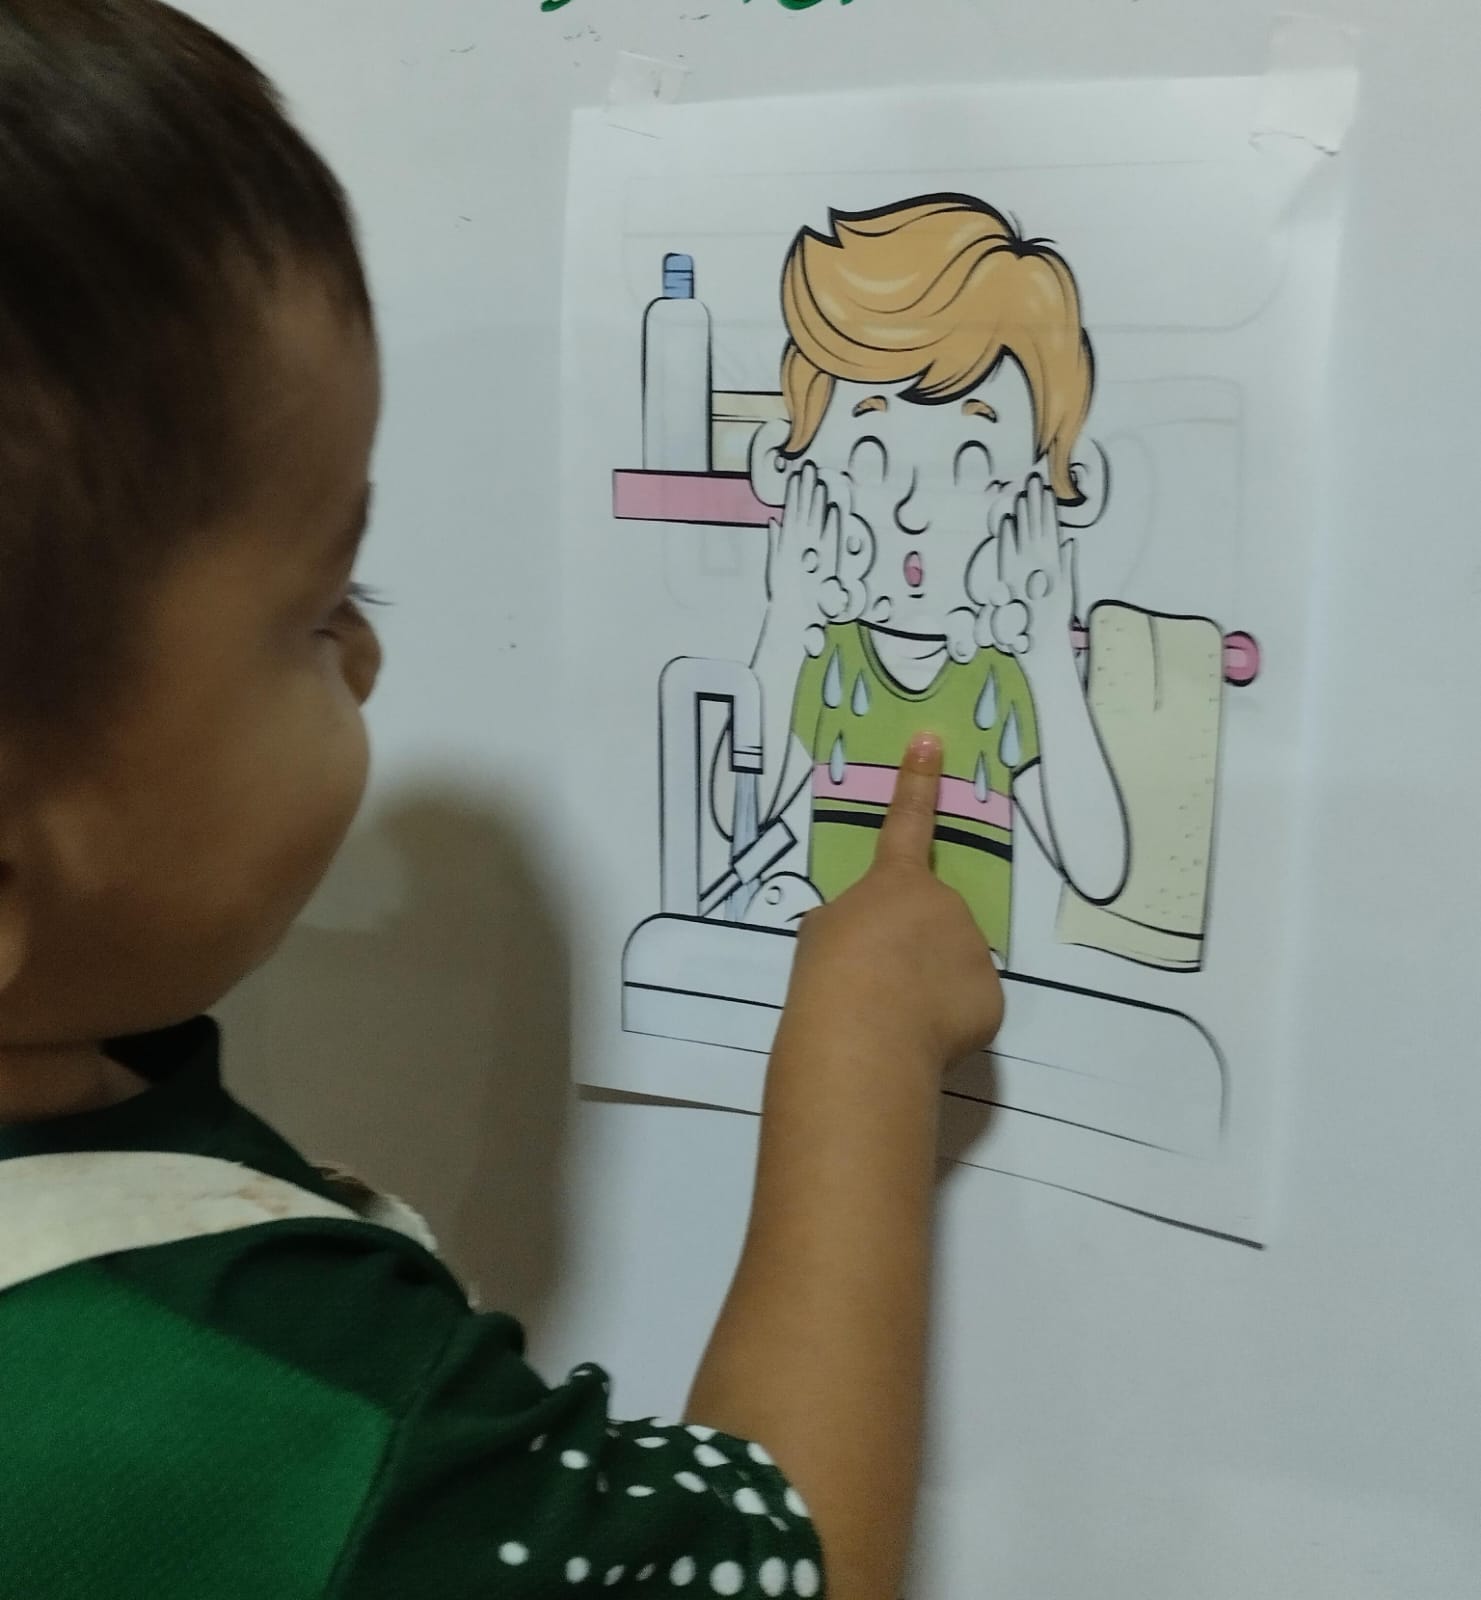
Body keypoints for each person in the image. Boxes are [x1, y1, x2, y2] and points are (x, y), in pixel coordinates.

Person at [0, 6, 1003, 1598]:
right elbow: (777, 1569)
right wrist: (865, 1043)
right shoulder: (246, 1404)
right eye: (320, 608)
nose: (370, 655)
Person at [745, 196, 1130, 959]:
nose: (915, 512)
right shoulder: (829, 666)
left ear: (1062, 487)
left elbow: (1098, 869)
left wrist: (1047, 652)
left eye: (974, 468)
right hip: (833, 988)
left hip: (960, 1001)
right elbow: (738, 813)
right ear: (785, 467)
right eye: (869, 460)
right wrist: (788, 617)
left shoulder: (1000, 685)